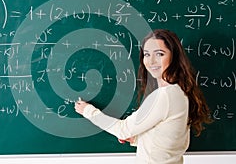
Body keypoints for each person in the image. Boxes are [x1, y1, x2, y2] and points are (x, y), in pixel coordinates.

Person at [75, 29, 212, 164]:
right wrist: (136, 139)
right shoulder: (179, 93)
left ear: (174, 56)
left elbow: (122, 130)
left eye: (159, 54)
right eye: (146, 54)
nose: (151, 61)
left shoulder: (164, 96)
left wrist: (88, 111)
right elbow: (168, 141)